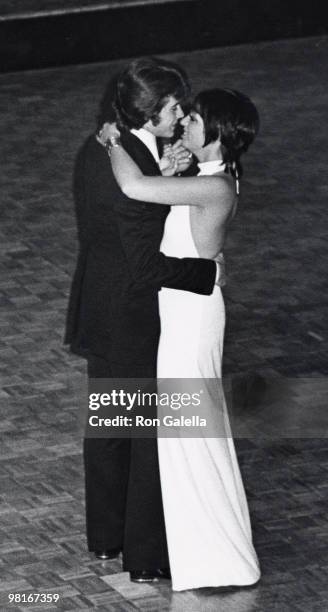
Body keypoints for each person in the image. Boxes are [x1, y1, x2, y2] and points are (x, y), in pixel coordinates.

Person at [64, 58, 224, 583]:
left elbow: (129, 201)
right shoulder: (127, 159)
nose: (181, 115)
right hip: (131, 315)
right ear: (151, 112)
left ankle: (106, 539)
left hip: (99, 306)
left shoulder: (104, 147)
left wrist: (164, 171)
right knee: (145, 437)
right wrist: (209, 274)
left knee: (110, 428)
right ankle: (146, 557)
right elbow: (147, 265)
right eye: (174, 107)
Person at [110, 88, 261, 590]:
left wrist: (111, 139)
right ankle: (201, 550)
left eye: (193, 120)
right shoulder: (208, 179)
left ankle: (217, 558)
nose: (185, 125)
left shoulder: (215, 187)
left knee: (190, 435)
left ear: (216, 133)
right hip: (184, 311)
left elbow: (133, 187)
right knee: (188, 434)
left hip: (192, 320)